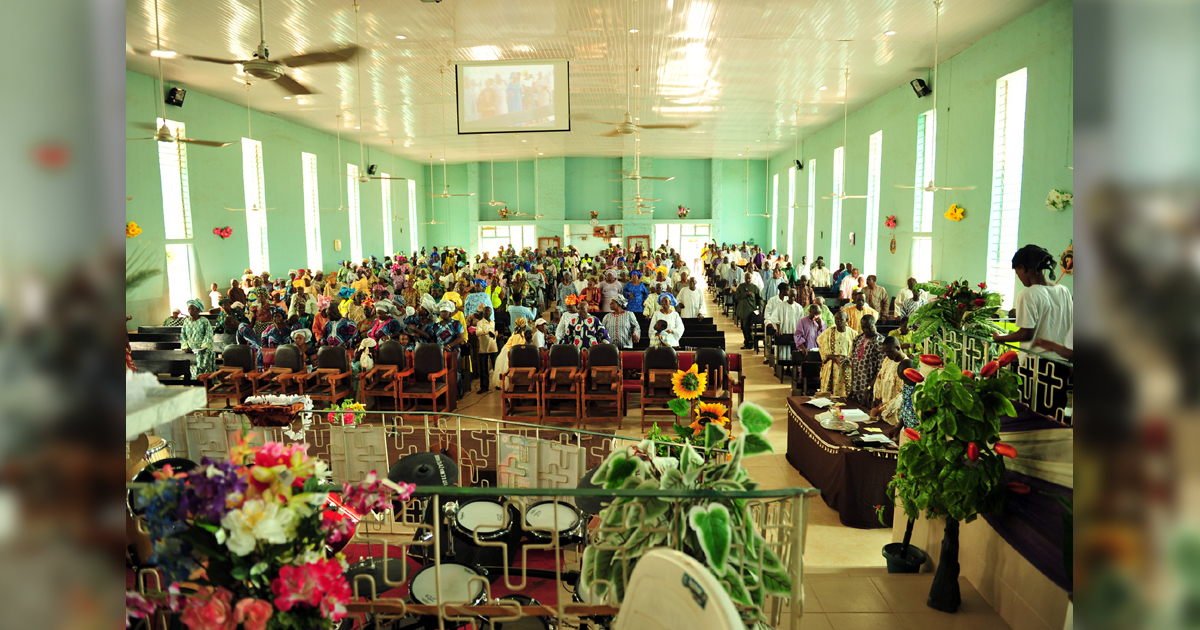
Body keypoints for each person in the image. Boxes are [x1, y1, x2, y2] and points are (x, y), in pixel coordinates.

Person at [992, 244, 1073, 360]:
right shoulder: (1063, 291)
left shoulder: (1028, 294)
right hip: (1063, 361)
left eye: (1017, 272)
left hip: (1037, 362)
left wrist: (1000, 338)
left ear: (1022, 268)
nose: (1018, 277)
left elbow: (1026, 334)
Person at [870, 336, 912, 426]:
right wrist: (876, 398)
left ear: (898, 348)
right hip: (881, 413)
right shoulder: (887, 359)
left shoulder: (906, 365)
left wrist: (883, 410)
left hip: (894, 415)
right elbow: (879, 378)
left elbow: (902, 395)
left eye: (890, 351)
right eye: (885, 352)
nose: (887, 354)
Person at [848, 314, 885, 406]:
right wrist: (852, 385)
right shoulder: (858, 339)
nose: (866, 330)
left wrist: (869, 389)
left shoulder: (880, 342)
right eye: (863, 327)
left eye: (869, 327)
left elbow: (880, 370)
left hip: (870, 387)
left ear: (875, 324)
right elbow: (853, 363)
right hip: (857, 385)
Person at [817, 311, 855, 398]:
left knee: (844, 394)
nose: (838, 321)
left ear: (846, 320)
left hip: (846, 367)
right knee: (829, 395)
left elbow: (856, 353)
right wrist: (831, 356)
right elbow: (821, 346)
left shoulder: (853, 334)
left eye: (841, 319)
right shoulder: (828, 332)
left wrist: (848, 358)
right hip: (831, 366)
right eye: (836, 319)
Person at [766, 287, 804, 361]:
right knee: (783, 351)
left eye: (794, 296)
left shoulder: (799, 308)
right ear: (788, 295)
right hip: (784, 331)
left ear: (796, 296)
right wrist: (778, 330)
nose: (792, 298)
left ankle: (791, 368)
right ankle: (782, 367)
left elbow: (801, 321)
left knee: (793, 351)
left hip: (794, 332)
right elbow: (775, 318)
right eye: (791, 296)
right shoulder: (781, 305)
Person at [180, 299, 215, 380]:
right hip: (191, 350)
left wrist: (203, 347)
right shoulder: (186, 321)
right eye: (189, 308)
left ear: (198, 310)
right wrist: (185, 347)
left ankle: (206, 385)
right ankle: (195, 383)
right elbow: (183, 335)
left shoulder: (204, 321)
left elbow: (208, 334)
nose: (190, 310)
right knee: (193, 370)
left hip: (203, 349)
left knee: (204, 371)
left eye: (193, 308)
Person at [734, 272, 763, 350]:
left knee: (748, 328)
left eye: (749, 278)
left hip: (750, 311)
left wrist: (760, 308)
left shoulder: (755, 288)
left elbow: (760, 299)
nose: (748, 280)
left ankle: (751, 342)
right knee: (743, 327)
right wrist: (745, 294)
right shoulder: (741, 287)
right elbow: (736, 296)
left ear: (751, 279)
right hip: (742, 310)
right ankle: (746, 342)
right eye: (746, 278)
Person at [474, 306, 498, 393]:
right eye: (485, 312)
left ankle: (498, 384)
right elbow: (477, 332)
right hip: (483, 348)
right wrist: (487, 332)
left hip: (493, 347)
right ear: (483, 313)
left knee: (496, 367)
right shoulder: (480, 323)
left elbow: (496, 332)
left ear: (491, 313)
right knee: (484, 368)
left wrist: (496, 334)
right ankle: (484, 387)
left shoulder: (493, 323)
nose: (487, 314)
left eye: (488, 312)